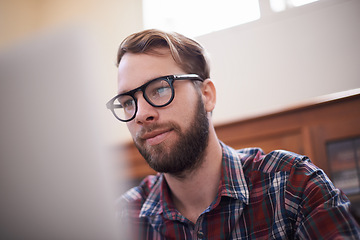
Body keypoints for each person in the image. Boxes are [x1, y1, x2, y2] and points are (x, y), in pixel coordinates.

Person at [107, 29, 360, 239]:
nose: (140, 114)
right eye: (128, 101)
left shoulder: (295, 187)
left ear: (206, 95)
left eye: (160, 89)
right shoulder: (121, 220)